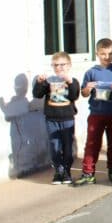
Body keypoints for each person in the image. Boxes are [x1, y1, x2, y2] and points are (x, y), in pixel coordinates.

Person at [75, 38, 112, 185]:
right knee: (92, 143)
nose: (107, 57)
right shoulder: (91, 72)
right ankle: (88, 172)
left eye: (110, 53)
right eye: (103, 54)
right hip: (97, 113)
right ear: (97, 53)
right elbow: (84, 94)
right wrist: (88, 88)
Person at [32, 52, 80, 185]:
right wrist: (40, 83)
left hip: (67, 119)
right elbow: (37, 94)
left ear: (69, 66)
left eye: (62, 65)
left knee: (67, 147)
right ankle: (58, 171)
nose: (59, 68)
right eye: (56, 65)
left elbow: (74, 95)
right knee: (54, 146)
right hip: (51, 119)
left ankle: (67, 171)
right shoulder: (49, 81)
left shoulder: (73, 81)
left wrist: (70, 82)